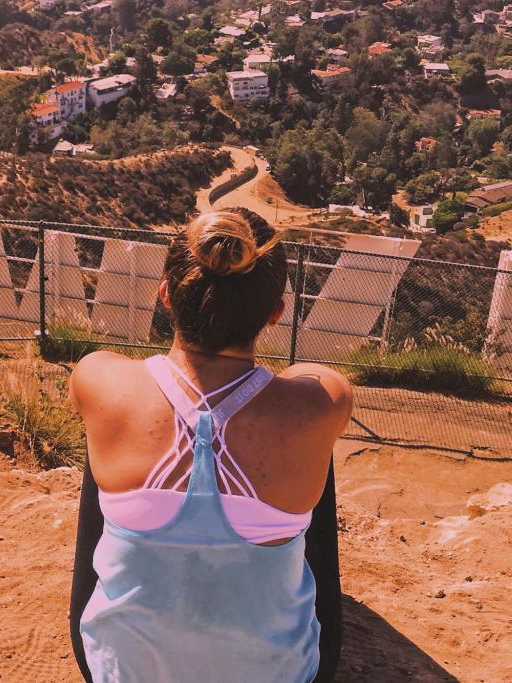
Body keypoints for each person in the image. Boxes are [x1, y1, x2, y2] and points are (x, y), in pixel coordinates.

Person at [67, 211, 353, 682]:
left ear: (165, 295)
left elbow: (110, 373)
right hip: (280, 675)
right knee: (307, 444)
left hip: (121, 672)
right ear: (275, 314)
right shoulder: (324, 401)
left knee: (107, 439)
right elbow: (315, 377)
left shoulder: (100, 379)